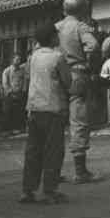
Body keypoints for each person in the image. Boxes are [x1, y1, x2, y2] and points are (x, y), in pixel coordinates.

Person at [19, 22, 71, 204]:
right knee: (53, 151)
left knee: (33, 151)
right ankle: (49, 191)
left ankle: (27, 190)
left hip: (34, 109)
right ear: (52, 38)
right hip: (53, 109)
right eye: (56, 35)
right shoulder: (58, 57)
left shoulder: (33, 57)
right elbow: (68, 82)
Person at [55, 0, 100, 183]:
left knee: (55, 122)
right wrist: (90, 65)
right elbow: (94, 46)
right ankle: (80, 171)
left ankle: (53, 171)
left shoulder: (56, 27)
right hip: (77, 75)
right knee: (78, 121)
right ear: (82, 9)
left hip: (57, 77)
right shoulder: (80, 27)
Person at [2, 53, 27, 134]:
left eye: (19, 59)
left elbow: (25, 81)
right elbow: (5, 83)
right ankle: (8, 130)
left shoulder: (22, 71)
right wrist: (10, 92)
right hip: (10, 95)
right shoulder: (7, 71)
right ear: (12, 60)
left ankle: (17, 128)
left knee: (18, 112)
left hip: (19, 95)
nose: (18, 61)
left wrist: (23, 91)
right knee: (9, 112)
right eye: (17, 59)